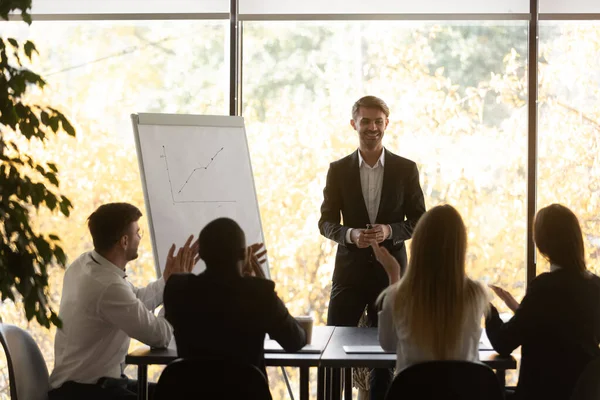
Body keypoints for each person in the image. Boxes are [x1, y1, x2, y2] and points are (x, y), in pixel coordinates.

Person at [318, 95, 426, 399]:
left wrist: (390, 230)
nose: (372, 127)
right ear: (354, 124)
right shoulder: (337, 170)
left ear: (387, 124)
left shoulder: (406, 169)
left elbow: (420, 220)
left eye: (378, 121)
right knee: (332, 354)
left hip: (391, 277)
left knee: (388, 357)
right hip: (349, 275)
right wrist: (351, 235)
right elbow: (325, 223)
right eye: (365, 121)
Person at [48, 202, 197, 400]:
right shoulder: (108, 286)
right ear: (124, 241)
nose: (140, 237)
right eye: (138, 232)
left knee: (174, 393)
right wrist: (176, 290)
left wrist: (168, 281)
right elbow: (160, 336)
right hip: (85, 392)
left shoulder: (86, 264)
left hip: (84, 385)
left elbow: (135, 302)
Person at [163, 217, 306, 380]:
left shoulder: (177, 289)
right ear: (244, 254)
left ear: (201, 254)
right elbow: (295, 340)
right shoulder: (259, 293)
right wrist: (262, 287)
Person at [486, 204, 600, 400]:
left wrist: (486, 307)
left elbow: (503, 342)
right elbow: (569, 330)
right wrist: (521, 310)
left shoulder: (544, 288)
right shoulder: (595, 286)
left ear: (541, 243)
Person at [374, 205, 490, 372]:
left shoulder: (401, 295)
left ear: (419, 244)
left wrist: (394, 276)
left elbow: (389, 344)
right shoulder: (475, 295)